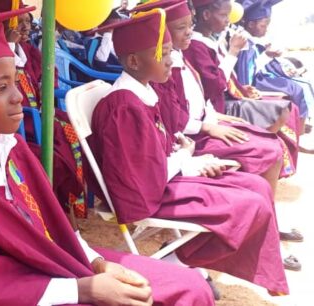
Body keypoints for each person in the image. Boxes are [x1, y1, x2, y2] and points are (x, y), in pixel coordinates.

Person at [0, 8, 214, 305]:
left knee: (188, 287)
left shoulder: (12, 149)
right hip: (33, 295)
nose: (18, 96)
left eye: (14, 81)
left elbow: (53, 226)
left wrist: (97, 262)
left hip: (61, 268)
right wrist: (83, 289)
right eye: (1, 88)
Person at [87, 7, 289, 294]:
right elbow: (142, 175)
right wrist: (187, 160)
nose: (171, 61)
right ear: (133, 60)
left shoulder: (143, 92)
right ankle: (177, 259)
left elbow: (154, 155)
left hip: (161, 180)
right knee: (248, 204)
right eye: (164, 54)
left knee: (256, 186)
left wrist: (191, 159)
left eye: (170, 52)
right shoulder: (123, 107)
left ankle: (178, 259)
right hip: (145, 196)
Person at [135, 0, 285, 193]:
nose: (189, 31)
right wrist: (207, 126)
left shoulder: (179, 57)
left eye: (190, 24)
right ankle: (256, 197)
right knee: (268, 151)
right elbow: (174, 116)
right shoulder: (165, 70)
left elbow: (195, 97)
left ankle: (257, 195)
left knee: (270, 143)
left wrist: (213, 116)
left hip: (203, 124)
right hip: (190, 138)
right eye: (182, 27)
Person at [0, 0, 86, 220]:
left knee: (72, 133)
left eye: (27, 21)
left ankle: (69, 205)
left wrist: (45, 88)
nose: (26, 27)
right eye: (18, 21)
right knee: (54, 158)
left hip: (38, 118)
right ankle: (59, 213)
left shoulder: (26, 50)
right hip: (20, 126)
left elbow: (47, 74)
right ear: (2, 24)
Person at [184, 0, 303, 177]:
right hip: (219, 105)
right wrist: (233, 52)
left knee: (287, 107)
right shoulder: (196, 45)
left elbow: (221, 77)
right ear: (206, 15)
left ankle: (264, 167)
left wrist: (241, 88)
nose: (227, 21)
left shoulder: (209, 40)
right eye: (223, 15)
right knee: (280, 114)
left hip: (218, 105)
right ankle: (259, 168)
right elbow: (215, 85)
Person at [235, 0, 314, 125]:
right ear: (250, 24)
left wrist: (269, 56)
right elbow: (248, 73)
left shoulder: (252, 40)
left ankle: (301, 123)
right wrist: (266, 56)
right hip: (253, 82)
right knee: (296, 89)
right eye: (263, 25)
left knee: (302, 84)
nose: (266, 29)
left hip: (259, 76)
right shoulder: (244, 42)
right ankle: (299, 126)